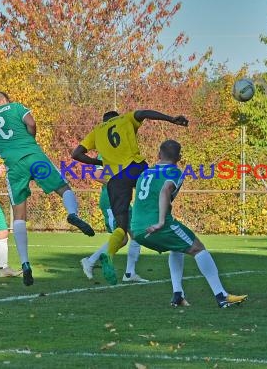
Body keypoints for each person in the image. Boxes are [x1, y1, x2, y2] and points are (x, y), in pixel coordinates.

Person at [0, 90, 94, 286]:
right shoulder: (15, 107)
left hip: (13, 166)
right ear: (5, 101)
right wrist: (30, 139)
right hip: (33, 156)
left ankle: (24, 263)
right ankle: (72, 213)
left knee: (19, 215)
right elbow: (31, 123)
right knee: (63, 187)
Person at [72, 109, 188, 285]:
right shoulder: (125, 120)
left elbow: (76, 154)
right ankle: (161, 222)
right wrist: (171, 118)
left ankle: (109, 255)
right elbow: (145, 113)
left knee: (122, 227)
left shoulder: (96, 132)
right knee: (156, 188)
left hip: (115, 180)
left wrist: (99, 162)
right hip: (134, 167)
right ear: (116, 118)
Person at [131, 139, 248, 308]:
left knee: (177, 247)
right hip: (157, 225)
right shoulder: (174, 172)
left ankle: (178, 295)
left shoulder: (144, 173)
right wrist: (161, 222)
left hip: (137, 228)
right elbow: (165, 191)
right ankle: (221, 296)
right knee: (198, 248)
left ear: (158, 155)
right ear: (179, 157)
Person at [80, 155, 148, 284]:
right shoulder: (105, 153)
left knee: (136, 235)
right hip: (111, 200)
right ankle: (90, 261)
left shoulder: (124, 153)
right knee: (122, 239)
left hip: (123, 200)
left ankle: (129, 273)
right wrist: (120, 183)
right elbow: (97, 175)